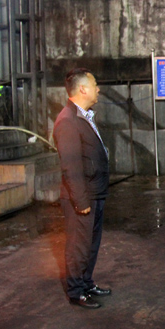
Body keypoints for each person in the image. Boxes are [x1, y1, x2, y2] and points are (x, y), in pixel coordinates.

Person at [53, 68, 112, 309]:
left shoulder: (84, 116)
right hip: (82, 196)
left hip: (95, 192)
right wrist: (80, 201)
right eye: (94, 84)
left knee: (91, 244)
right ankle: (76, 291)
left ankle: (86, 283)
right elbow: (71, 166)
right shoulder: (67, 120)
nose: (98, 89)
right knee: (78, 245)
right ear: (82, 89)